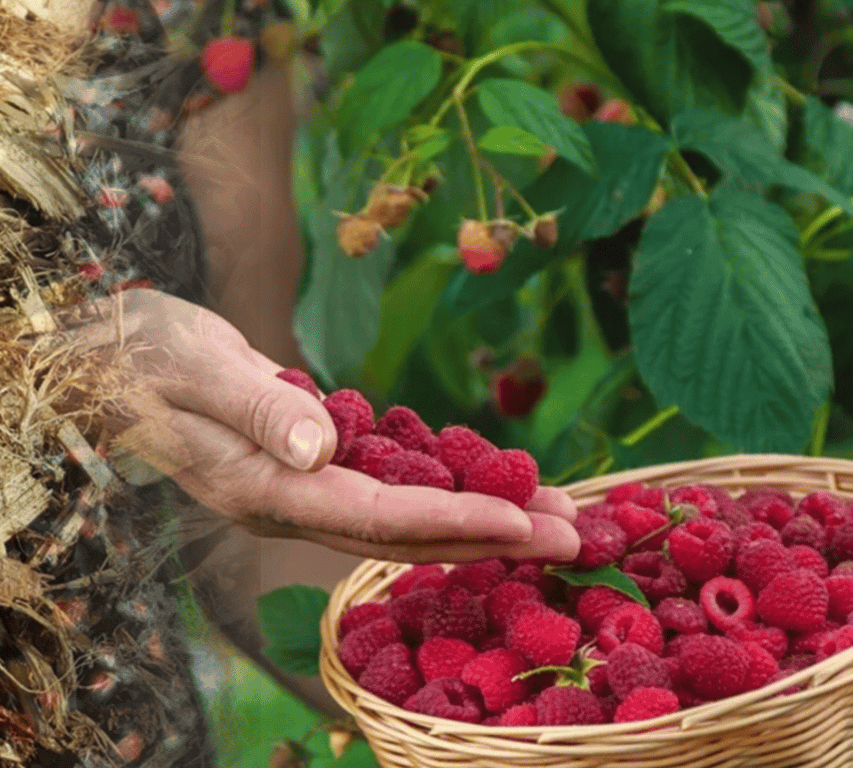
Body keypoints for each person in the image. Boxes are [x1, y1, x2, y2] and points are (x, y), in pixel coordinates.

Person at [57, 0, 581, 720]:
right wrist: (65, 363)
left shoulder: (206, 23)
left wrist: (484, 714)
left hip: (132, 726)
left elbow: (248, 523)